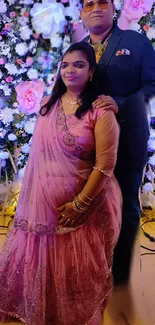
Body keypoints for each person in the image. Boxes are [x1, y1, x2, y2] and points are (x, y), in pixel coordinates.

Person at [0, 42, 122, 325]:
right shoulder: (48, 105)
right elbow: (38, 158)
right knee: (38, 260)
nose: (70, 70)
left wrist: (80, 204)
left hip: (83, 206)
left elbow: (104, 166)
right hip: (41, 205)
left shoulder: (100, 112)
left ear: (91, 72)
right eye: (65, 65)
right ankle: (38, 306)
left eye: (79, 65)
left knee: (73, 268)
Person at [80, 0, 155, 285]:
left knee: (125, 206)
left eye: (102, 1)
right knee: (88, 203)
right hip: (84, 144)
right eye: (89, 4)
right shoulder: (78, 51)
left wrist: (120, 103)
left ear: (114, 8)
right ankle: (89, 269)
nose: (95, 7)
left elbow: (152, 86)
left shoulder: (135, 42)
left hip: (127, 137)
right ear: (82, 13)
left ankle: (118, 276)